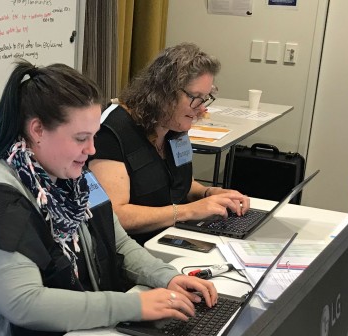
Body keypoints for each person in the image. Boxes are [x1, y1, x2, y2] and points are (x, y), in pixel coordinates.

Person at [0, 61, 218, 336]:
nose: (92, 150)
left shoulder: (75, 179)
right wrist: (134, 305)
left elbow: (118, 242)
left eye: (94, 136)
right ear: (37, 130)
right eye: (81, 138)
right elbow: (25, 304)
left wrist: (167, 277)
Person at [88, 43, 251, 245]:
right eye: (195, 98)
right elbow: (115, 215)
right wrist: (189, 210)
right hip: (135, 251)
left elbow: (180, 184)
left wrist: (208, 193)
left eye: (205, 99)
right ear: (165, 92)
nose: (201, 110)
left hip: (173, 238)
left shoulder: (175, 126)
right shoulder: (112, 132)